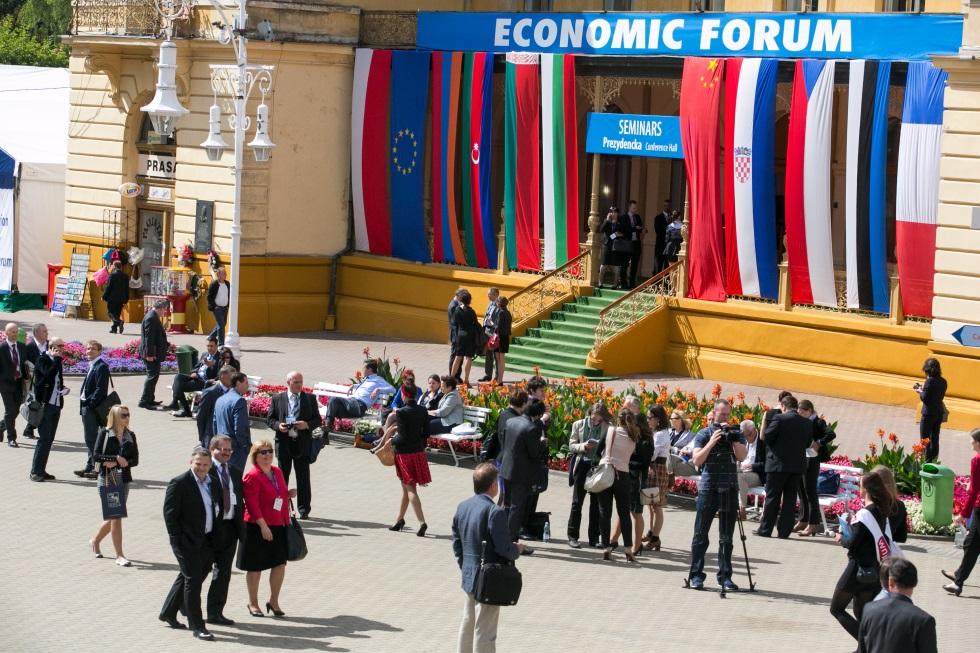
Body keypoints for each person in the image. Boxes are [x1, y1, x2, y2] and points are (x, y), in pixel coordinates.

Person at [452, 463, 522, 653]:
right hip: (489, 579)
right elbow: (503, 547)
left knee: (468, 624)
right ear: (493, 486)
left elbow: (457, 543)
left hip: (469, 574)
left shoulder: (463, 506)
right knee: (486, 630)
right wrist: (516, 550)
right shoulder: (495, 512)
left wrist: (465, 565)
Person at [830, 469, 902, 641]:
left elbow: (852, 543)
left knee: (836, 609)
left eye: (860, 485)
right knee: (863, 615)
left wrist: (841, 537)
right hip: (875, 569)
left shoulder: (865, 514)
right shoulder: (881, 511)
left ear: (866, 490)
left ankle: (867, 645)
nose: (859, 488)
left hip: (857, 568)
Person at [160, 446, 221, 640]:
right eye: (198, 464)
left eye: (205, 464)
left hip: (206, 539)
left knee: (190, 576)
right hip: (185, 542)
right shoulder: (179, 483)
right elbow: (170, 516)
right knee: (193, 582)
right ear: (191, 462)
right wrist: (178, 540)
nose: (201, 468)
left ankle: (169, 612)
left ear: (210, 464)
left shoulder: (213, 482)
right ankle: (197, 626)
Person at [688, 399, 747, 590]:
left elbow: (742, 457)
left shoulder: (735, 434)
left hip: (729, 487)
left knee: (726, 537)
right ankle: (696, 575)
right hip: (709, 488)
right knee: (700, 534)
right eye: (721, 414)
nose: (725, 418)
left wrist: (734, 440)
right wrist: (712, 442)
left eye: (727, 414)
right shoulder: (704, 434)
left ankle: (725, 577)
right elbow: (697, 459)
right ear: (713, 414)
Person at [239, 439, 295, 618]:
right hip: (257, 526)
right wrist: (263, 526)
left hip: (278, 524)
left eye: (270, 451)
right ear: (255, 456)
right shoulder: (252, 476)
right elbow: (252, 505)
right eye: (263, 452)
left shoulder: (277, 471)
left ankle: (274, 601)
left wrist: (288, 494)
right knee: (255, 566)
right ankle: (253, 602)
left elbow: (277, 495)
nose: (268, 455)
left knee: (279, 564)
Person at [376, 383, 431, 536]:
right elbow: (426, 432)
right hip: (418, 453)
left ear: (403, 394)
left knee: (410, 489)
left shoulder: (401, 412)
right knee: (406, 489)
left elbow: (402, 437)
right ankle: (399, 520)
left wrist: (390, 441)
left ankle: (422, 522)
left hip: (405, 455)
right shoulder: (422, 410)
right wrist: (417, 442)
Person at [266, 371, 321, 519]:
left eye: (301, 382)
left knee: (303, 477)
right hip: (284, 443)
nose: (299, 385)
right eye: (296, 382)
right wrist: (279, 426)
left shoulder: (309, 398)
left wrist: (307, 425)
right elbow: (270, 419)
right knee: (281, 478)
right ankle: (280, 508)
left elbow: (317, 420)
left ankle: (304, 510)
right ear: (288, 382)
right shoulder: (278, 399)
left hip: (303, 444)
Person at [755, 394, 811, 539]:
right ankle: (784, 532)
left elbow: (767, 438)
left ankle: (765, 530)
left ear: (784, 406)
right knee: (790, 500)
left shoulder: (779, 418)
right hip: (796, 467)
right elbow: (806, 444)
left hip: (777, 466)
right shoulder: (806, 423)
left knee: (772, 498)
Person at [91, 405, 139, 567]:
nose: (127, 418)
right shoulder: (104, 433)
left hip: (123, 480)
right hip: (107, 479)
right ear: (115, 417)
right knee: (116, 516)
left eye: (128, 415)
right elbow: (96, 456)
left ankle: (95, 541)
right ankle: (120, 555)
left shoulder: (130, 436)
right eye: (123, 415)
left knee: (114, 516)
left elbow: (135, 460)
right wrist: (115, 458)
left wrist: (123, 463)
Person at [858, 558, 937, 653]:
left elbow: (862, 649)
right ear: (915, 582)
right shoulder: (923, 620)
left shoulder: (869, 609)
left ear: (890, 582)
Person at [206, 435, 245, 626]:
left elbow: (241, 500)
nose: (227, 453)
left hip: (229, 528)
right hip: (210, 529)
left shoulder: (235, 472)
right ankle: (180, 604)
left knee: (223, 574)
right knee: (198, 571)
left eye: (229, 450)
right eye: (223, 449)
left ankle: (215, 612)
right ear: (212, 449)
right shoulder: (205, 469)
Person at [500, 398, 548, 551]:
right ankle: (512, 542)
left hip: (506, 469)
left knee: (507, 505)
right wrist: (542, 442)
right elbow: (534, 453)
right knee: (516, 507)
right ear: (538, 414)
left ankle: (502, 536)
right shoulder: (531, 428)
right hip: (521, 474)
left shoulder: (511, 421)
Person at [610, 397, 653, 557]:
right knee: (624, 510)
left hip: (636, 479)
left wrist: (627, 462)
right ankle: (613, 540)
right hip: (628, 477)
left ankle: (636, 545)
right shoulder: (632, 434)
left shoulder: (644, 440)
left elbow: (644, 463)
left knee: (636, 513)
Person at [566, 402, 611, 549]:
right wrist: (583, 446)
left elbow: (610, 447)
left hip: (597, 467)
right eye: (593, 415)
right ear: (590, 413)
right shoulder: (578, 424)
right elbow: (571, 445)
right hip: (582, 465)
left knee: (595, 504)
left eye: (599, 417)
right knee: (577, 502)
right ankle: (573, 536)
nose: (596, 419)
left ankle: (594, 538)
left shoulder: (608, 427)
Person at [597, 408, 639, 563]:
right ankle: (628, 548)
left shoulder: (611, 431)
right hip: (624, 475)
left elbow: (599, 450)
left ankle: (606, 547)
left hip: (607, 472)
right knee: (624, 513)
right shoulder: (634, 436)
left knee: (604, 512)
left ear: (618, 419)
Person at [942, 428, 980, 596]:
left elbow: (974, 491)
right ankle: (958, 578)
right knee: (971, 545)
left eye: (972, 440)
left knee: (971, 545)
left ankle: (958, 581)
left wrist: (964, 514)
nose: (970, 443)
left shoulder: (977, 460)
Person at [28, 338, 68, 481]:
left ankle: (41, 470)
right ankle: (35, 472)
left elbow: (58, 381)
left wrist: (64, 389)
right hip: (45, 406)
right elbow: (47, 377)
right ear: (51, 347)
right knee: (44, 439)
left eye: (63, 346)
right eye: (59, 346)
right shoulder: (42, 359)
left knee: (49, 440)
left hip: (56, 405)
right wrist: (56, 360)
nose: (62, 348)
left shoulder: (57, 361)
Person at [795, 399, 837, 536]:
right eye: (799, 413)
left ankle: (813, 524)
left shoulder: (818, 422)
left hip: (813, 459)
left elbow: (831, 434)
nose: (800, 415)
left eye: (803, 413)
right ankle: (803, 519)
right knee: (801, 488)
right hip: (802, 457)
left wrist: (819, 442)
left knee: (810, 490)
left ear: (810, 411)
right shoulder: (802, 422)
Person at [323, 359, 395, 431]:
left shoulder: (378, 379)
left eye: (364, 368)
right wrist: (354, 386)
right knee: (333, 408)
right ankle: (326, 432)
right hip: (352, 406)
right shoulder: (367, 379)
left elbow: (393, 389)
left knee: (334, 399)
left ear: (369, 369)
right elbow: (366, 388)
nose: (362, 370)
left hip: (359, 406)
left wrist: (378, 389)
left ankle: (328, 426)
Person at [75, 340, 110, 478]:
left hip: (92, 408)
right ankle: (90, 466)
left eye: (93, 349)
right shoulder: (93, 365)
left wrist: (89, 404)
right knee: (90, 439)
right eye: (88, 348)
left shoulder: (101, 366)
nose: (89, 351)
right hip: (86, 406)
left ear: (99, 351)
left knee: (92, 440)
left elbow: (101, 389)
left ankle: (96, 469)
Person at [164, 337, 220, 417]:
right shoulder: (205, 354)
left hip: (204, 382)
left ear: (216, 346)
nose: (209, 348)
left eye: (211, 346)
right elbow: (195, 367)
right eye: (208, 346)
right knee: (178, 377)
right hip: (196, 378)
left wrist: (211, 367)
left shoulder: (219, 357)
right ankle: (177, 404)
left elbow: (217, 374)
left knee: (178, 387)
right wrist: (194, 372)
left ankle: (180, 406)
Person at [643, 404, 671, 551]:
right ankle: (651, 532)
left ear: (658, 419)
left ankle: (655, 537)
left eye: (650, 417)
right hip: (653, 469)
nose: (648, 420)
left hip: (657, 469)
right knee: (651, 505)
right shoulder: (656, 432)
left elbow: (652, 454)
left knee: (656, 506)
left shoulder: (661, 435)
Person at [214, 372, 252, 472]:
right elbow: (240, 428)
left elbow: (214, 423)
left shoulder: (220, 399)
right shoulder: (239, 401)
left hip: (220, 445)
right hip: (235, 448)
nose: (248, 385)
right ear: (238, 383)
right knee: (234, 479)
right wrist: (245, 446)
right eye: (246, 382)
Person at [0, 322, 28, 447]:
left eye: (16, 331)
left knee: (16, 411)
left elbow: (24, 364)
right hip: (5, 384)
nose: (15, 334)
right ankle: (11, 438)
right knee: (10, 410)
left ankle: (1, 427)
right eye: (12, 331)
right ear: (6, 333)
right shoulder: (2, 348)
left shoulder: (22, 347)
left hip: (18, 383)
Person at [138, 299, 169, 409]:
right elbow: (149, 338)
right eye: (164, 310)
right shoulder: (151, 318)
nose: (164, 312)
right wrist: (150, 354)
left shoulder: (152, 316)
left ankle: (150, 399)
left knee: (153, 377)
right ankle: (144, 401)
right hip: (151, 354)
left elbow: (156, 336)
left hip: (153, 353)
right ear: (160, 308)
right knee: (151, 377)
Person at [914, 357, 947, 462]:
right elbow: (936, 396)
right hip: (938, 413)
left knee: (925, 440)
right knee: (935, 439)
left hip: (928, 414)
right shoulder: (943, 381)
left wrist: (920, 391)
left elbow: (925, 398)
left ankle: (925, 462)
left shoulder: (929, 381)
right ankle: (934, 460)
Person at [23, 322, 49, 440]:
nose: (46, 333)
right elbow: (24, 365)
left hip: (47, 382)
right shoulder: (30, 347)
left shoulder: (49, 345)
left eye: (46, 331)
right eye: (44, 331)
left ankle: (29, 429)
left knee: (39, 406)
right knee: (32, 405)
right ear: (36, 333)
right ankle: (4, 425)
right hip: (33, 383)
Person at [736, 419, 766, 519]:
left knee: (741, 477)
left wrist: (752, 466)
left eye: (747, 435)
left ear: (753, 430)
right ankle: (723, 506)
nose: (745, 438)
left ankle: (742, 509)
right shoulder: (743, 440)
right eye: (743, 436)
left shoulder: (763, 441)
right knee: (730, 472)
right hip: (743, 471)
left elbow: (768, 464)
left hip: (757, 474)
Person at [198, 365, 233, 448]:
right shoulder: (210, 392)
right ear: (222, 376)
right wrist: (202, 436)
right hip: (211, 436)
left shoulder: (233, 392)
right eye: (232, 377)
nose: (234, 380)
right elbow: (201, 416)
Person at [451, 290, 480, 385]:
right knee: (468, 358)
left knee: (458, 357)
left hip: (460, 335)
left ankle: (451, 378)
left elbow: (454, 323)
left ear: (461, 299)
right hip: (470, 335)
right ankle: (466, 379)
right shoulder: (471, 311)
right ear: (469, 300)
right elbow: (475, 323)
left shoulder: (457, 310)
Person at [478, 287, 499, 383]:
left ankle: (498, 376)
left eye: (489, 294)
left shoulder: (499, 305)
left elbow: (498, 321)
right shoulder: (490, 304)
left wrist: (493, 325)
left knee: (496, 355)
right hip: (486, 331)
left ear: (495, 294)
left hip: (494, 333)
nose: (488, 295)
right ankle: (488, 375)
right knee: (488, 354)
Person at [102, 260, 129, 334]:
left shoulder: (112, 275)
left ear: (114, 266)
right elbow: (127, 289)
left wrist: (104, 296)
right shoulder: (125, 276)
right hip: (121, 299)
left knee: (110, 312)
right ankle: (114, 329)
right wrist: (126, 299)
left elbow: (109, 287)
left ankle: (119, 321)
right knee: (117, 313)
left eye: (112, 265)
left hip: (112, 298)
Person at [207, 267, 231, 346]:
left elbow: (229, 295)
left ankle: (211, 336)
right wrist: (214, 306)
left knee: (222, 324)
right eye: (223, 273)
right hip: (217, 308)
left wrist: (228, 305)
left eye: (225, 273)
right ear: (218, 275)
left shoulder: (227, 284)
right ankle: (221, 344)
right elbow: (209, 296)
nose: (225, 274)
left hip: (225, 307)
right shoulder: (214, 284)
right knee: (221, 325)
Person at [624, 199, 645, 288]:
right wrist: (634, 228)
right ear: (629, 208)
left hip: (636, 243)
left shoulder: (637, 217)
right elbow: (624, 229)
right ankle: (624, 282)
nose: (635, 209)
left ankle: (632, 283)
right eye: (634, 208)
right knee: (625, 264)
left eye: (636, 208)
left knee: (635, 264)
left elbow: (640, 227)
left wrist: (643, 229)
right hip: (627, 243)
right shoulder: (624, 217)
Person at [492, 296, 512, 384]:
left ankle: (500, 380)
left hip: (500, 337)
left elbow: (498, 327)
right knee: (500, 358)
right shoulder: (508, 313)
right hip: (505, 336)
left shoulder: (500, 313)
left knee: (500, 359)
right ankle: (499, 378)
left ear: (499, 303)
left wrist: (491, 323)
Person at [447, 288, 465, 376]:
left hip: (457, 334)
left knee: (459, 356)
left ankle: (457, 375)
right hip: (456, 335)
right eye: (463, 296)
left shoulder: (457, 304)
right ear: (458, 295)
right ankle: (452, 375)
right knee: (455, 356)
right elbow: (455, 322)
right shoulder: (454, 306)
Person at [653, 200, 670, 274]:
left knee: (667, 265)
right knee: (658, 265)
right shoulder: (658, 218)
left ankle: (666, 284)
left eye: (668, 206)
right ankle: (656, 282)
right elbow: (658, 230)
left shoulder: (672, 218)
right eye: (665, 205)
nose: (667, 207)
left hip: (669, 246)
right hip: (660, 245)